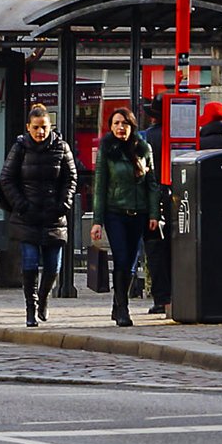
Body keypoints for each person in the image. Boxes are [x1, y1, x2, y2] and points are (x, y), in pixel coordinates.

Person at [0, 104, 76, 329]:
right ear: (28, 127)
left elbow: (70, 178)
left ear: (50, 127)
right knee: (30, 264)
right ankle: (30, 308)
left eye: (44, 127)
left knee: (53, 266)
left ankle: (43, 298)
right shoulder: (20, 147)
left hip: (54, 216)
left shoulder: (61, 147)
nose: (40, 132)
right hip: (28, 217)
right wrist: (20, 204)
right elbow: (6, 178)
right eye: (36, 128)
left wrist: (63, 204)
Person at [89, 106, 157, 327]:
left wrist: (153, 213)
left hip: (139, 213)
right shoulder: (107, 150)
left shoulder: (143, 149)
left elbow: (152, 184)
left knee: (131, 263)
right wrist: (97, 220)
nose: (120, 127)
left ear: (132, 126)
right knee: (121, 258)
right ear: (110, 126)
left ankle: (118, 302)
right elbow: (100, 187)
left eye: (124, 123)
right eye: (116, 123)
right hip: (114, 212)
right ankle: (123, 308)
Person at [139, 98, 172, 314]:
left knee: (155, 251)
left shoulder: (145, 138)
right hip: (178, 198)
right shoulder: (179, 138)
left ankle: (161, 297)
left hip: (152, 201)